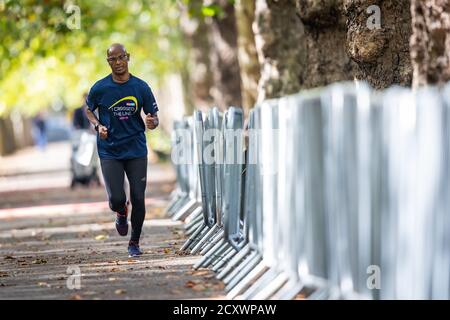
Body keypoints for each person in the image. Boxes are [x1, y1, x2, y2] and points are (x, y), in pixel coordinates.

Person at [85, 43, 159, 257]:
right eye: (112, 59)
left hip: (136, 148)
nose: (118, 63)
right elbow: (89, 110)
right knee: (117, 198)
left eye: (121, 58)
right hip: (110, 150)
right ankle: (120, 211)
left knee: (138, 196)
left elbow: (153, 117)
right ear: (108, 62)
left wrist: (152, 122)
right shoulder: (100, 88)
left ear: (128, 57)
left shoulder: (141, 87)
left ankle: (134, 242)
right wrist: (98, 126)